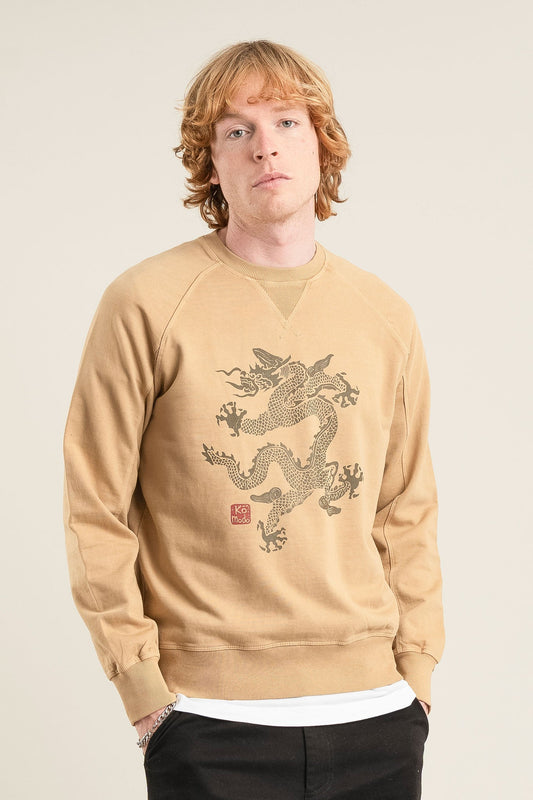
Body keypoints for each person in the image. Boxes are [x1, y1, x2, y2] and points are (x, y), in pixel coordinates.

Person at [62, 39, 445, 799]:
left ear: (321, 143)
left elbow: (406, 506)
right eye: (237, 130)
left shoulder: (384, 315)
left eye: (286, 122)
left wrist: (418, 675)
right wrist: (142, 689)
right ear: (210, 162)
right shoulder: (145, 302)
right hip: (209, 718)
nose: (264, 146)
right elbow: (94, 506)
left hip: (374, 712)